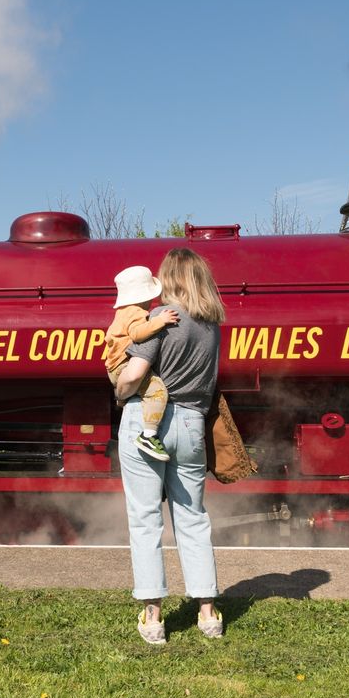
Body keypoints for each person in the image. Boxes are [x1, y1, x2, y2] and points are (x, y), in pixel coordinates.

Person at [115, 248, 225, 643]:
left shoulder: (160, 321)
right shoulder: (212, 325)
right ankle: (209, 614)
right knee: (192, 516)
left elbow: (134, 375)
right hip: (192, 424)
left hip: (149, 420)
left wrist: (119, 389)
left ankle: (153, 617)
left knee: (146, 519)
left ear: (169, 278)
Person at [104, 266, 179, 461]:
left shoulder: (121, 312)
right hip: (124, 366)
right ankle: (149, 435)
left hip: (114, 367)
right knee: (158, 392)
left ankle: (123, 399)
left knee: (136, 390)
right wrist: (160, 321)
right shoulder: (136, 312)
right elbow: (138, 333)